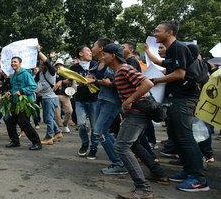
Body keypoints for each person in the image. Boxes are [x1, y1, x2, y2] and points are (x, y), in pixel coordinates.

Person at [104, 43, 168, 199]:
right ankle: (158, 173)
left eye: (104, 55)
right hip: (136, 112)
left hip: (138, 113)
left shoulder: (125, 69)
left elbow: (148, 83)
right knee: (133, 144)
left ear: (113, 56)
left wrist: (129, 100)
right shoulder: (118, 72)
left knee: (120, 146)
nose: (102, 57)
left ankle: (143, 189)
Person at [151, 21, 209, 192]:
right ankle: (188, 171)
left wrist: (154, 80)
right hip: (175, 97)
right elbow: (167, 66)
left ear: (169, 32)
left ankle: (199, 179)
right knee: (176, 136)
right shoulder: (171, 50)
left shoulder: (178, 47)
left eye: (157, 31)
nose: (155, 34)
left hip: (184, 98)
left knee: (184, 136)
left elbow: (180, 74)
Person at [88, 38, 127, 174]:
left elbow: (118, 83)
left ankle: (119, 163)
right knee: (100, 131)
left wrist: (106, 83)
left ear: (102, 48)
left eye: (93, 46)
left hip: (111, 101)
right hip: (101, 99)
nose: (91, 49)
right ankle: (120, 160)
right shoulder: (97, 65)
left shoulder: (116, 66)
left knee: (99, 131)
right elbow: (96, 79)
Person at [4, 57, 42, 151]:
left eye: (15, 62)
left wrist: (22, 91)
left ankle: (37, 143)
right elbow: (14, 89)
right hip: (15, 103)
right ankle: (15, 141)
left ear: (20, 64)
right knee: (10, 121)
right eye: (12, 62)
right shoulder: (13, 76)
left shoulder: (25, 74)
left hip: (25, 102)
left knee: (23, 122)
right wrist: (9, 92)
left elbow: (33, 86)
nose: (13, 63)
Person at [68, 45, 99, 159]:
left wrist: (92, 81)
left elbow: (100, 80)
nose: (90, 52)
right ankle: (85, 143)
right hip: (79, 99)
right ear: (80, 54)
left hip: (94, 100)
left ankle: (94, 148)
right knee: (81, 124)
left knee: (95, 127)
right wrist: (65, 81)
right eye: (88, 51)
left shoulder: (96, 65)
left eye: (91, 51)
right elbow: (69, 80)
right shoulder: (74, 68)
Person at [34, 46, 63, 145]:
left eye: (43, 64)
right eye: (40, 64)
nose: (41, 65)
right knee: (47, 119)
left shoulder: (52, 72)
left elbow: (47, 61)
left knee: (49, 119)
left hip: (51, 99)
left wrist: (39, 51)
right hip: (45, 98)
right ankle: (58, 132)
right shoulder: (40, 74)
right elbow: (33, 83)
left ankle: (49, 137)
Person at [52, 59, 73, 133]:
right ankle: (59, 128)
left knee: (69, 111)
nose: (59, 66)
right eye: (57, 64)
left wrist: (61, 82)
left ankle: (65, 124)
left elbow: (69, 81)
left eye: (60, 64)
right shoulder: (53, 73)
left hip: (65, 94)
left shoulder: (66, 73)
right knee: (57, 114)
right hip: (55, 94)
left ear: (63, 66)